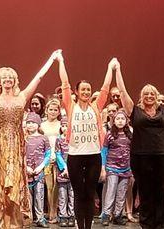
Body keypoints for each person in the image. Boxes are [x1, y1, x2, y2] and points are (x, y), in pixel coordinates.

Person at [0, 47, 58, 228]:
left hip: (16, 147)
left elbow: (38, 78)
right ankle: (5, 222)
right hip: (0, 147)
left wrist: (51, 60)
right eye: (4, 77)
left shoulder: (22, 97)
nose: (7, 80)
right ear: (0, 81)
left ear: (15, 81)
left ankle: (15, 222)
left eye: (10, 77)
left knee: (14, 183)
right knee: (1, 185)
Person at [115, 57, 164, 229]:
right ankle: (146, 225)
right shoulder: (134, 111)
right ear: (141, 96)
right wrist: (118, 70)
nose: (149, 96)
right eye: (146, 93)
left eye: (152, 93)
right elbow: (123, 93)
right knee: (145, 194)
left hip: (162, 156)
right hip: (141, 157)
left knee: (161, 193)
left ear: (156, 96)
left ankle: (160, 226)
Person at [57, 51, 113, 229]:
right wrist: (61, 60)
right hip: (75, 156)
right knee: (78, 193)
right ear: (76, 92)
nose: (86, 92)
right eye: (83, 89)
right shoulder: (71, 106)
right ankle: (79, 226)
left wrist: (110, 67)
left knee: (89, 194)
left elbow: (105, 87)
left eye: (89, 89)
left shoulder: (96, 106)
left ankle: (87, 227)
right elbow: (64, 83)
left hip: (93, 156)